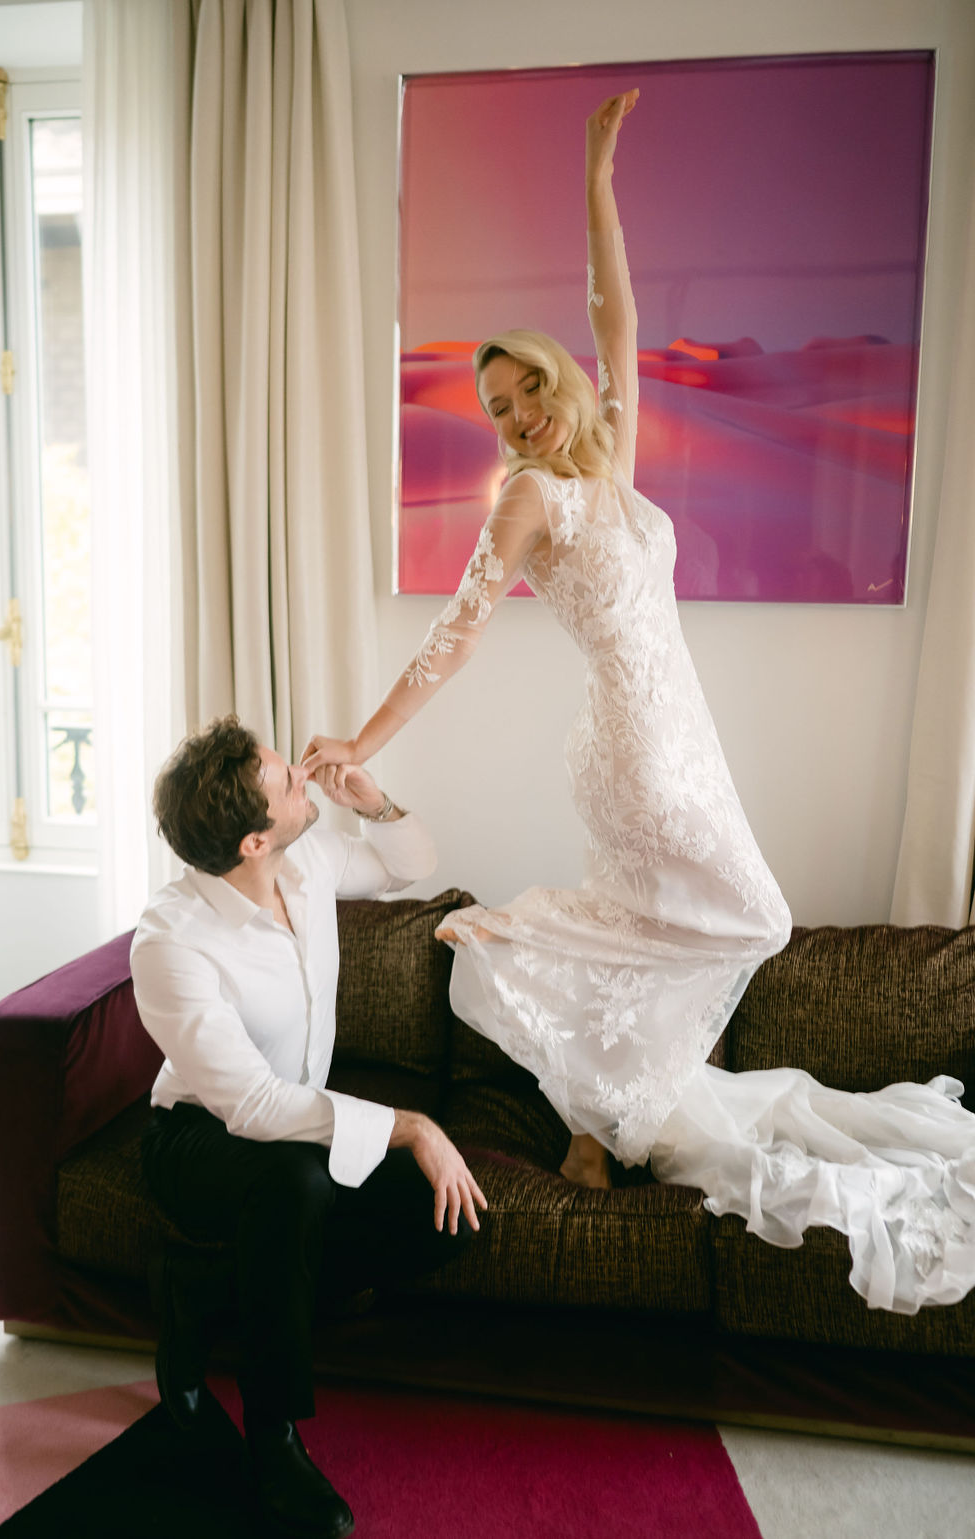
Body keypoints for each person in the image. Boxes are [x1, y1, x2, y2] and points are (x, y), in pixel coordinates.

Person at [301, 91, 975, 1317]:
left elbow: (617, 311)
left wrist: (599, 177)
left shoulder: (604, 459)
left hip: (675, 740)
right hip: (640, 747)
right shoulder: (528, 501)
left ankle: (593, 1125)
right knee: (737, 922)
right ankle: (556, 1031)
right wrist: (362, 740)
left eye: (523, 394)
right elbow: (452, 641)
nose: (515, 419)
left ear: (557, 382)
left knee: (692, 933)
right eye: (496, 411)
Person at [131, 715, 486, 1539]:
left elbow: (414, 863)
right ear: (253, 841)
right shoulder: (171, 939)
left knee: (451, 1217)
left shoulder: (308, 863)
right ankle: (273, 1440)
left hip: (294, 1129)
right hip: (196, 1136)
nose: (304, 771)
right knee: (293, 1184)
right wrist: (409, 1125)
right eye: (286, 778)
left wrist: (372, 798)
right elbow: (251, 1108)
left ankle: (200, 1294)